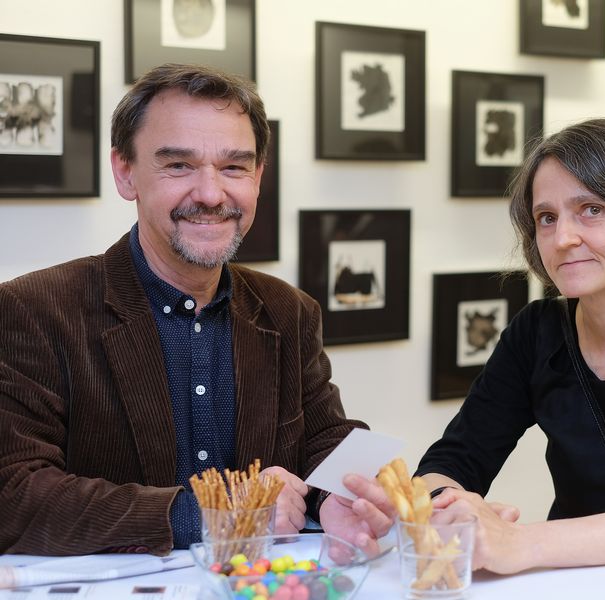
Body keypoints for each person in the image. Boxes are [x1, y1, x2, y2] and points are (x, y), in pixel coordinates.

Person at [346, 118, 605, 599]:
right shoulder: (537, 330)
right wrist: (443, 506)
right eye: (546, 217)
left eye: (591, 210)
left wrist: (515, 541)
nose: (562, 238)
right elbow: (456, 458)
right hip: (573, 583)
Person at [0, 63, 384, 556]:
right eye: (179, 165)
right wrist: (209, 515)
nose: (210, 194)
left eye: (234, 167)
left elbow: (325, 437)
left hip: (259, 585)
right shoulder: (33, 311)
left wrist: (340, 497)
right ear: (125, 172)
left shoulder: (289, 311)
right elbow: (13, 493)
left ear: (258, 176)